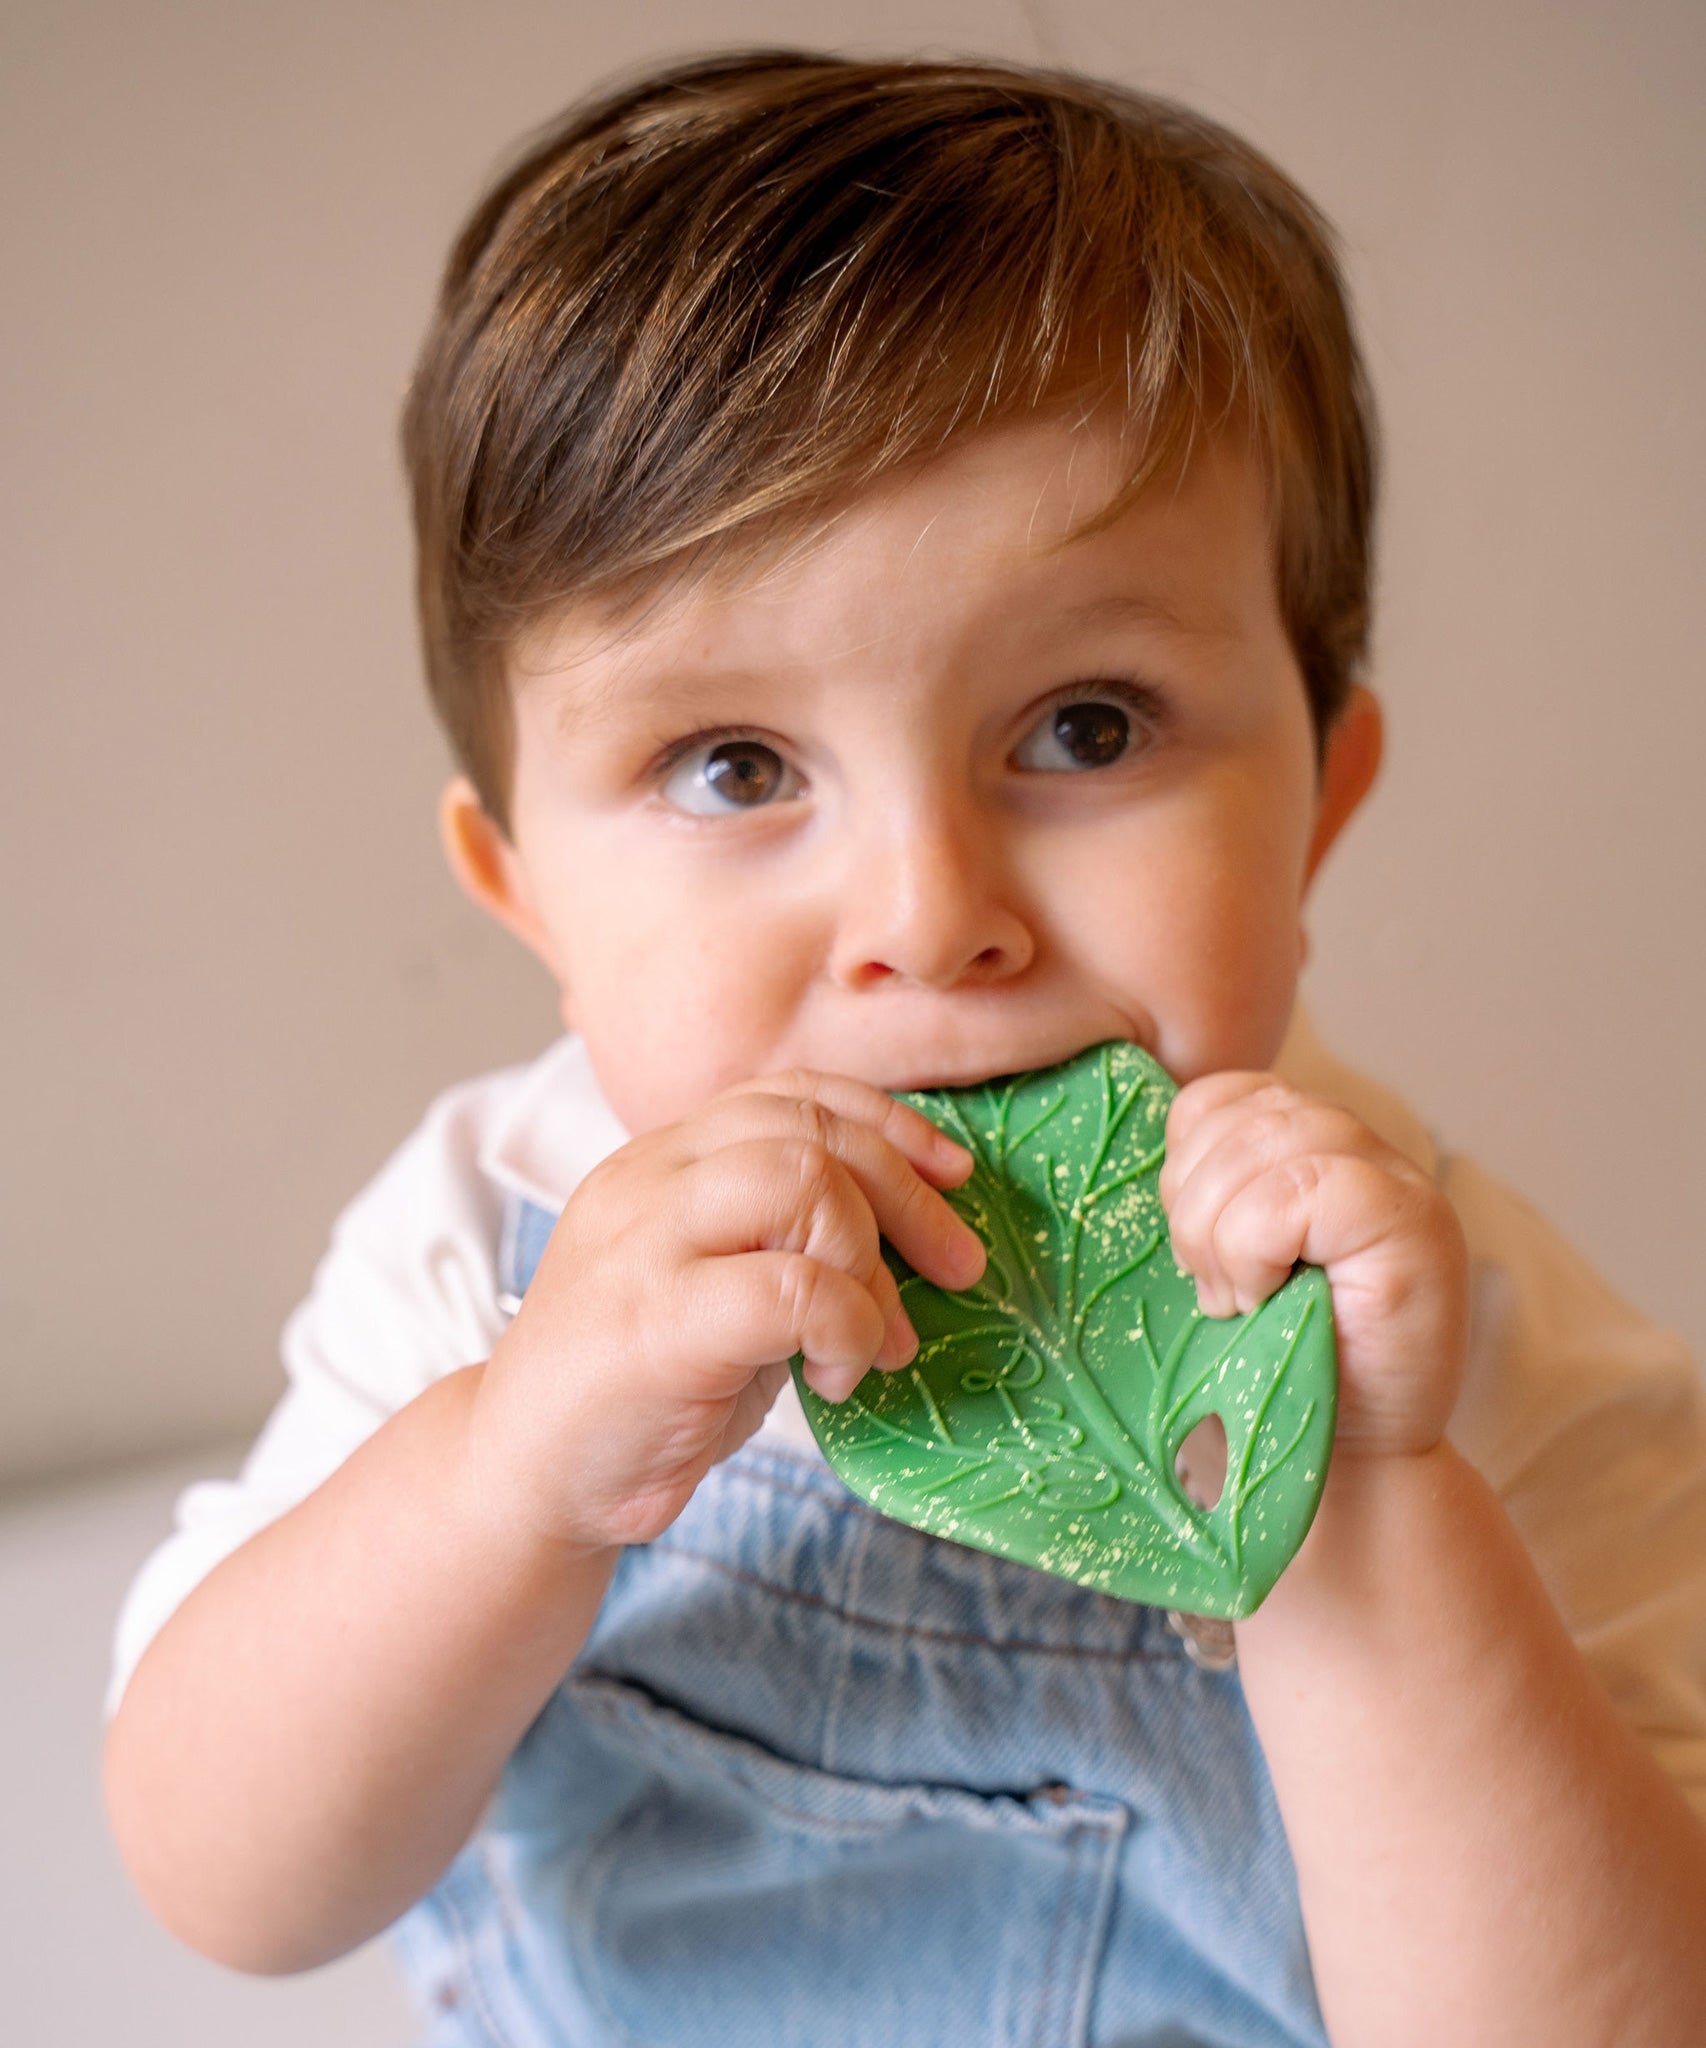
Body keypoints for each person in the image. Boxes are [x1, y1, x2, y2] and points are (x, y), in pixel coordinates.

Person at [103, 49, 1706, 2046]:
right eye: (736, 763)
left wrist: (1362, 1502)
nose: (930, 911)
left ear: (1319, 801)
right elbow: (222, 1877)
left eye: (1086, 727)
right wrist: (510, 1472)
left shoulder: (1450, 1339)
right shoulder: (483, 1245)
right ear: (523, 889)